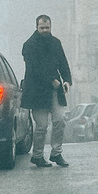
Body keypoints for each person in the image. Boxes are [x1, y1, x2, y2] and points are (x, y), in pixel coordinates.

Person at [21, 14, 73, 168]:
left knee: (60, 120)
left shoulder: (56, 43)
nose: (45, 30)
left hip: (55, 90)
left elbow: (63, 63)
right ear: (36, 27)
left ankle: (56, 153)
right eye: (42, 27)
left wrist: (67, 81)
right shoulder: (29, 45)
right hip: (37, 92)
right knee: (42, 125)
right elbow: (34, 68)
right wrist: (52, 80)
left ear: (51, 27)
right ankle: (37, 156)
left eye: (47, 27)